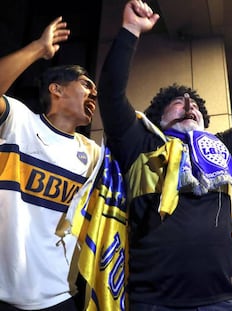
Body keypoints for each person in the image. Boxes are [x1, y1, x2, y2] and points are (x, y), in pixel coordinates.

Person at [97, 0, 232, 309]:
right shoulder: (139, 142)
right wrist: (130, 30)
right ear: (159, 117)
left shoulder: (220, 149)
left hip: (224, 299)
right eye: (179, 102)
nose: (189, 104)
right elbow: (112, 94)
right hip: (154, 302)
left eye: (194, 103)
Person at [0, 16, 100, 311]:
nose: (94, 92)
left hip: (58, 296)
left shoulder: (93, 154)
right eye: (85, 84)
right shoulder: (19, 122)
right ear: (57, 90)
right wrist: (38, 48)